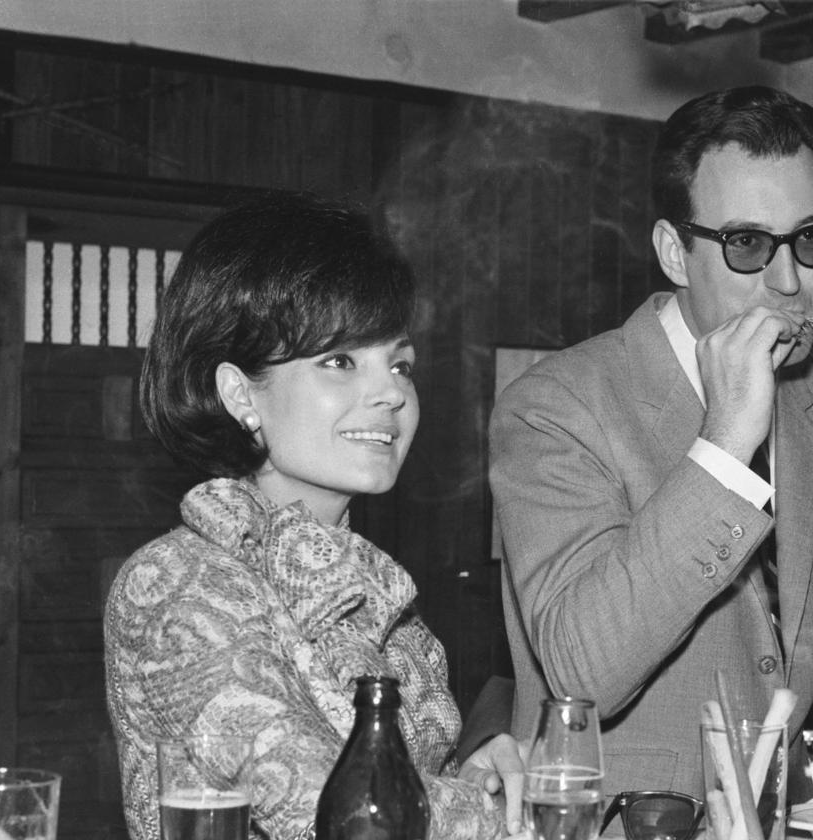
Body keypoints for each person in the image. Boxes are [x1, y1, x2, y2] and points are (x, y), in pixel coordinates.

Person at [489, 85, 813, 800]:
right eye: (747, 244)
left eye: (809, 240)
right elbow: (579, 670)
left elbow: (795, 690)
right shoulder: (556, 406)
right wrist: (724, 444)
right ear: (674, 254)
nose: (789, 282)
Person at [104, 193, 525, 840]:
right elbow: (332, 811)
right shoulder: (175, 583)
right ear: (240, 392)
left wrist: (469, 773)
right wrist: (495, 814)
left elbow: (408, 793)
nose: (391, 392)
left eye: (400, 364)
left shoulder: (379, 590)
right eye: (340, 361)